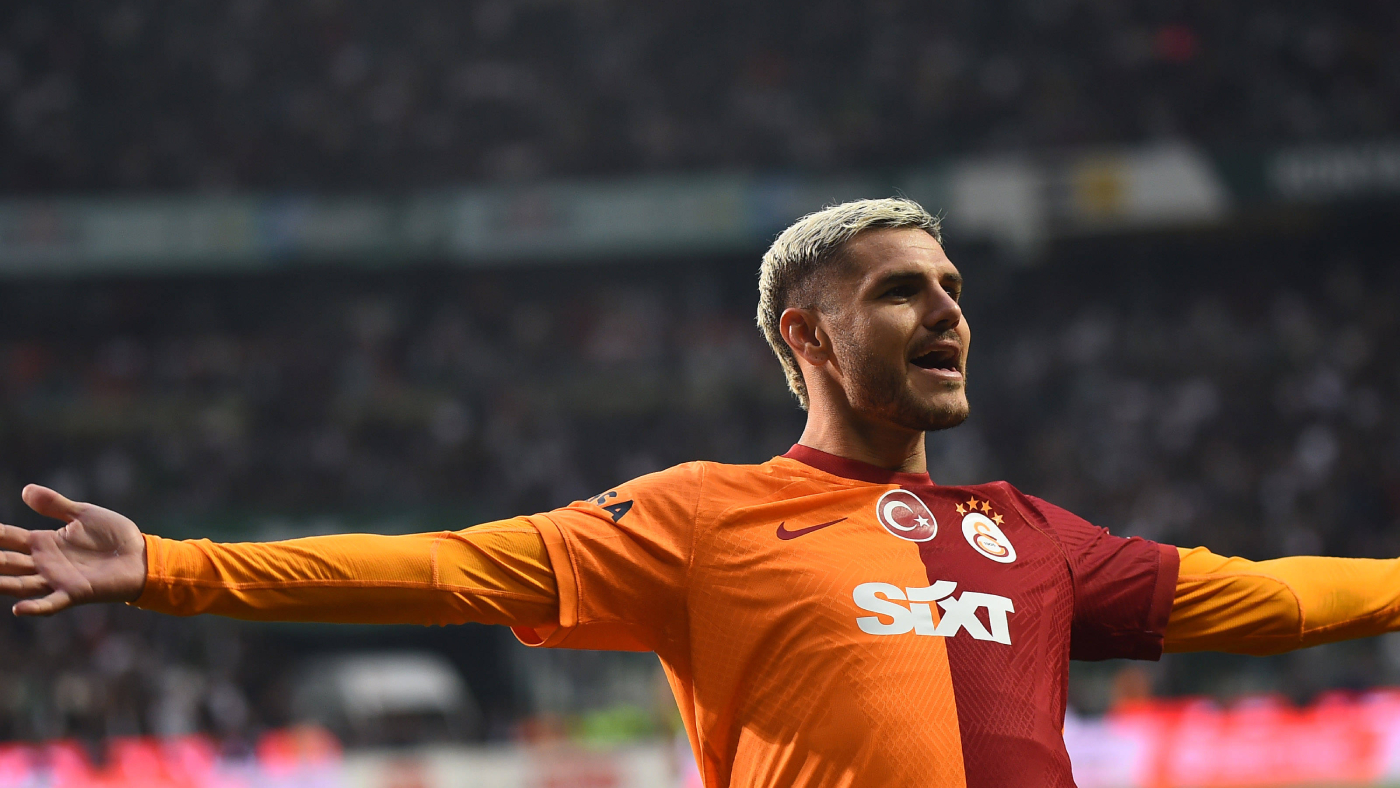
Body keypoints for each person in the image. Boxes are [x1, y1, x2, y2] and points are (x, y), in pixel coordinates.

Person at [2, 197, 1398, 788]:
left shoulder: (1031, 536)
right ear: (808, 336)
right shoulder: (699, 517)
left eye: (955, 287)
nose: (947, 312)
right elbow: (444, 567)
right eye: (900, 291)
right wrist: (170, 567)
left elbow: (1275, 600)